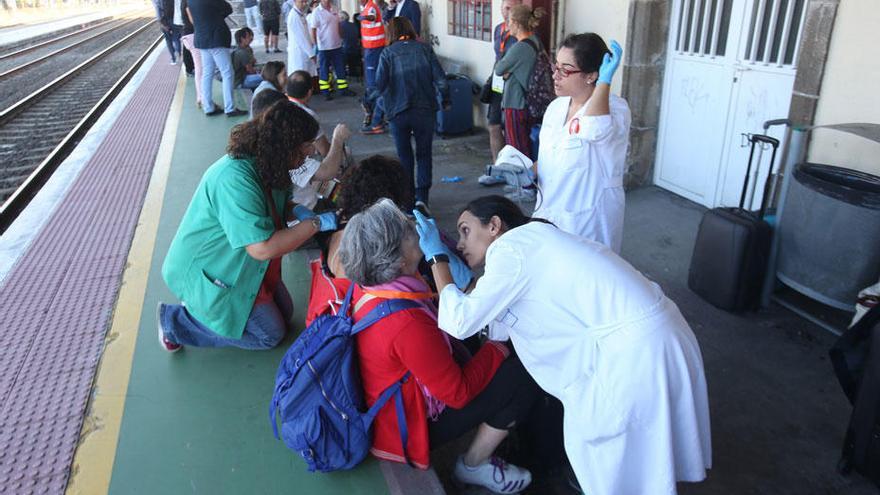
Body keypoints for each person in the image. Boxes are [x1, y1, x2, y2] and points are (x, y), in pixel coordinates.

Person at [414, 195, 712, 495]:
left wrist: (436, 257)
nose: (461, 244)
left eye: (465, 230)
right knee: (640, 454)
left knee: (613, 455)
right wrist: (465, 287)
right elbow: (499, 326)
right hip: (661, 334)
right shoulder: (534, 242)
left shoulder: (511, 249)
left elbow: (459, 321)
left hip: (638, 351)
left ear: (494, 226)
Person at [337, 199, 538, 493]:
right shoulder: (405, 322)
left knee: (473, 340)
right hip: (409, 430)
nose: (415, 231)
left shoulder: (377, 287)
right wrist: (497, 348)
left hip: (397, 402)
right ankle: (472, 465)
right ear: (396, 257)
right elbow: (457, 394)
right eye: (407, 230)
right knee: (521, 373)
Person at [158, 102, 337, 351]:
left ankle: (203, 311)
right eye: (306, 145)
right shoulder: (234, 179)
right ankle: (175, 322)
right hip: (216, 266)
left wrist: (297, 210)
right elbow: (262, 249)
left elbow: (279, 202)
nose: (310, 152)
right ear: (287, 146)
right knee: (270, 335)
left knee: (285, 314)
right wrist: (315, 223)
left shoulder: (271, 165)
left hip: (242, 262)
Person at [532, 33, 631, 254]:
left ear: (591, 75)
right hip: (547, 212)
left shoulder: (616, 110)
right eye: (555, 66)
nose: (555, 75)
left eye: (565, 70)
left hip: (588, 220)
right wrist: (524, 171)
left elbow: (595, 128)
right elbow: (552, 154)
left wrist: (604, 82)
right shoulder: (556, 107)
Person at [375, 16, 446, 210]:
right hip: (424, 110)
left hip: (398, 112)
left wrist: (372, 106)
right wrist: (446, 101)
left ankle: (407, 200)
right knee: (424, 154)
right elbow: (441, 80)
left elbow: (378, 85)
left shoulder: (387, 53)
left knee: (404, 156)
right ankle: (422, 198)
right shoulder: (425, 49)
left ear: (391, 32)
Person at [285, 70, 352, 209]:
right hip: (309, 207)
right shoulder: (298, 159)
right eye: (309, 144)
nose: (311, 149)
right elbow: (327, 160)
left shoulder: (281, 109)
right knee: (343, 194)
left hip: (303, 192)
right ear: (310, 92)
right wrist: (337, 139)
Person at [478, 0, 520, 186]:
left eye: (511, 8)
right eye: (505, 7)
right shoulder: (498, 29)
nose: (507, 11)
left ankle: (514, 172)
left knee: (512, 129)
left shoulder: (522, 33)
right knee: (494, 125)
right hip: (497, 83)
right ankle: (497, 168)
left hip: (514, 86)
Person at [495, 5, 543, 161]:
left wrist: (509, 70)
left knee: (517, 148)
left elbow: (499, 69)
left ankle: (524, 183)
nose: (507, 24)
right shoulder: (535, 41)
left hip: (516, 102)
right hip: (530, 102)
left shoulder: (519, 47)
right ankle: (527, 181)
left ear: (515, 23)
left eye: (509, 21)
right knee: (526, 144)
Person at [187, 0, 247, 117]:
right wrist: (217, 16)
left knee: (207, 73)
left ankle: (208, 107)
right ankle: (229, 108)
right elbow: (228, 8)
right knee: (227, 72)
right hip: (216, 37)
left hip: (202, 38)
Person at [308, 0, 354, 100]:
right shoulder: (316, 12)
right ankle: (325, 92)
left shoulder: (335, 9)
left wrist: (341, 37)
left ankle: (343, 89)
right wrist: (315, 45)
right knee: (324, 70)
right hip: (324, 47)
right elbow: (313, 30)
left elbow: (337, 24)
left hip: (337, 45)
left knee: (340, 68)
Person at [357, 0, 387, 134]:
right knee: (374, 83)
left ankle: (371, 110)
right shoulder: (367, 7)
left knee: (373, 84)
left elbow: (372, 17)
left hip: (375, 49)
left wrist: (362, 17)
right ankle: (375, 114)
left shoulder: (370, 7)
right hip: (371, 49)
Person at [180, 0, 202, 106]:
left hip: (189, 35)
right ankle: (200, 97)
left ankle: (201, 96)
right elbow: (193, 20)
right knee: (200, 68)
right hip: (192, 35)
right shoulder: (187, 2)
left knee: (200, 68)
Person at [286, 0, 317, 77]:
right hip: (299, 52)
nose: (304, 4)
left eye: (305, 2)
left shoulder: (301, 14)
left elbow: (307, 34)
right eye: (302, 2)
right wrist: (311, 54)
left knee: (307, 75)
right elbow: (301, 38)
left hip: (305, 51)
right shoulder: (294, 16)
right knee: (301, 77)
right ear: (295, 1)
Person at [154, 0, 181, 64]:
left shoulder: (158, 1)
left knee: (168, 40)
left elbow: (158, 12)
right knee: (176, 38)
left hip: (164, 21)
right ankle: (178, 52)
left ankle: (173, 59)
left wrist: (161, 24)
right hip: (175, 20)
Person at [338, 11, 361, 78]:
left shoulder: (340, 25)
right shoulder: (353, 25)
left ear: (341, 18)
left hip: (344, 51)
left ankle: (341, 75)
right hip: (355, 50)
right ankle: (352, 73)